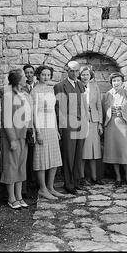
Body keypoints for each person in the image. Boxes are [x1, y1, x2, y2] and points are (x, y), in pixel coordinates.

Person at [54, 60, 89, 195]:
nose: (74, 73)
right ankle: (68, 184)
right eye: (71, 71)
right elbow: (58, 109)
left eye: (76, 71)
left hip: (81, 124)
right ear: (66, 71)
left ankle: (76, 181)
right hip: (69, 125)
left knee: (78, 153)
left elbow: (83, 105)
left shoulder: (80, 85)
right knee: (69, 154)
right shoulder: (60, 86)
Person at [0, 69, 33, 209]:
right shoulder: (8, 96)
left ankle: (19, 196)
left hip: (23, 136)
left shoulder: (25, 94)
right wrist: (12, 139)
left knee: (20, 166)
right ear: (18, 79)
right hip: (12, 137)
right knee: (11, 166)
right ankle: (11, 197)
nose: (27, 77)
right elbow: (6, 120)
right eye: (24, 76)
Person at [31, 65, 64, 200]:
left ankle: (51, 187)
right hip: (41, 127)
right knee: (41, 158)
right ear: (38, 75)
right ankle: (43, 189)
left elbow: (52, 111)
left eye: (48, 75)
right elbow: (34, 114)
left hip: (51, 126)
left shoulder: (50, 90)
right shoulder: (35, 91)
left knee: (54, 158)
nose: (46, 77)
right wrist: (37, 132)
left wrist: (56, 129)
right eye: (43, 74)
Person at [102, 72, 127, 187]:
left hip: (124, 126)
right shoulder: (107, 95)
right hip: (111, 126)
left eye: (118, 80)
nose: (116, 82)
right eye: (114, 81)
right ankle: (118, 177)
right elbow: (103, 110)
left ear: (122, 82)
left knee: (124, 152)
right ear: (111, 82)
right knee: (113, 151)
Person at [78, 66, 105, 186]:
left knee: (95, 150)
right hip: (82, 121)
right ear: (80, 76)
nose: (85, 77)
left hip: (94, 121)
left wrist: (100, 123)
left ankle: (95, 177)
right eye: (83, 74)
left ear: (90, 76)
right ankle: (82, 177)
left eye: (87, 74)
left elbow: (99, 105)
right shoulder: (77, 86)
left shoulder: (95, 87)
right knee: (83, 150)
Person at [21, 64, 37, 196]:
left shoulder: (38, 86)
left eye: (31, 72)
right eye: (26, 73)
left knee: (35, 156)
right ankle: (25, 187)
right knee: (26, 158)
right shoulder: (21, 88)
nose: (29, 75)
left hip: (38, 124)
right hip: (26, 124)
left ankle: (35, 183)